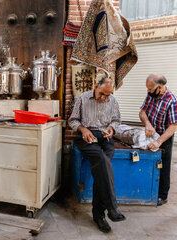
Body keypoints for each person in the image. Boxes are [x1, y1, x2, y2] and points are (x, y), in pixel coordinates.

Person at [69, 77, 125, 233]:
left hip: (105, 137)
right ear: (95, 86)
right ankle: (111, 208)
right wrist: (83, 129)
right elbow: (72, 120)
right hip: (86, 137)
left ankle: (99, 215)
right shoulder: (82, 98)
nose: (104, 98)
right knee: (102, 160)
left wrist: (111, 129)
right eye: (101, 94)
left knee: (102, 168)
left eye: (107, 95)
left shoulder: (112, 101)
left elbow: (116, 120)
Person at [139, 74, 177, 206]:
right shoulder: (151, 95)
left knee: (163, 165)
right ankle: (147, 189)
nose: (148, 92)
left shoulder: (173, 101)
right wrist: (148, 124)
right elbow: (142, 112)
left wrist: (159, 141)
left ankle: (162, 195)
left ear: (161, 87)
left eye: (150, 89)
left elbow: (174, 126)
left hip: (164, 136)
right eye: (147, 89)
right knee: (148, 161)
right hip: (150, 132)